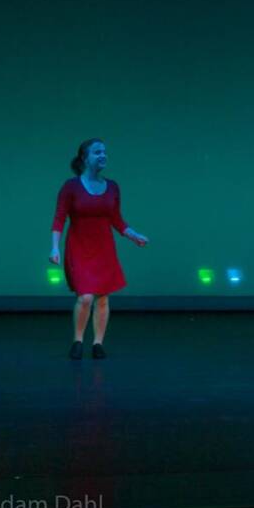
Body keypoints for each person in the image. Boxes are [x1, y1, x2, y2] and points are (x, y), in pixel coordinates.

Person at [51, 139, 147, 360]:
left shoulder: (112, 187)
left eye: (104, 152)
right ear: (85, 158)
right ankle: (77, 340)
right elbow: (59, 219)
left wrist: (134, 236)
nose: (103, 155)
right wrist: (54, 248)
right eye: (97, 152)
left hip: (104, 247)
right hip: (79, 246)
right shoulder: (71, 186)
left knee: (102, 297)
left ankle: (97, 343)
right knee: (85, 297)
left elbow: (117, 220)